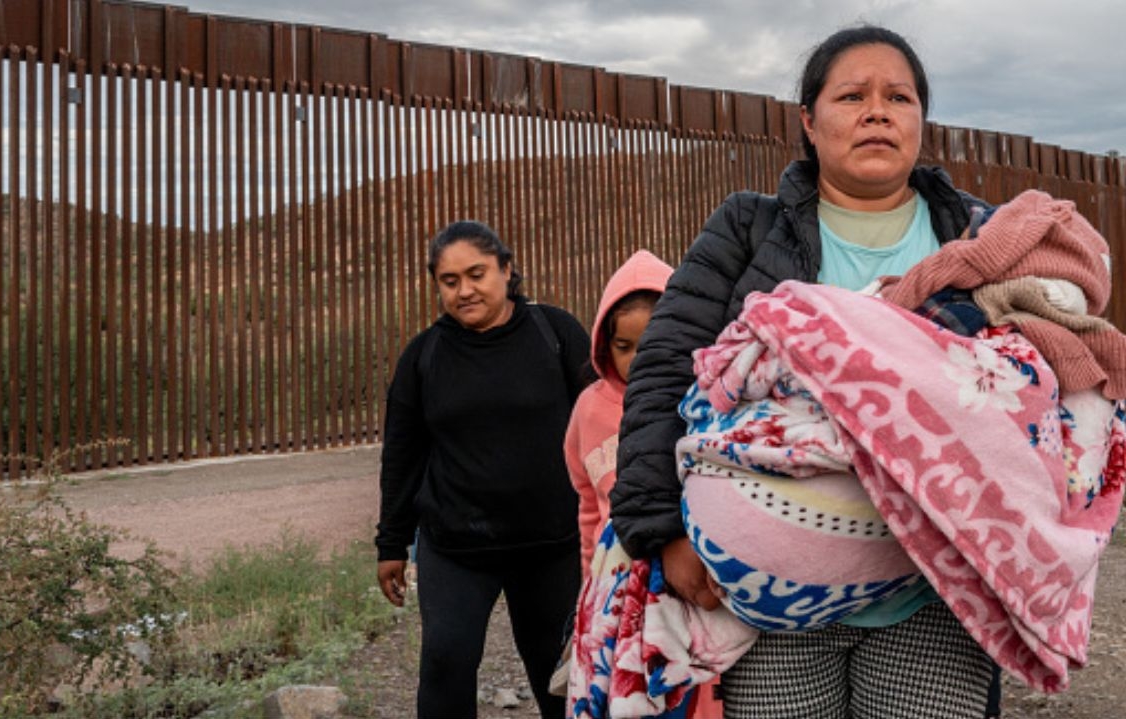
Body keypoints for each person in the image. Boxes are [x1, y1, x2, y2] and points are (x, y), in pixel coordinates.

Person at [610, 24, 999, 719]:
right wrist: (661, 528)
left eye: (899, 97)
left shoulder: (978, 239)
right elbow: (664, 371)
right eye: (852, 95)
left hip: (935, 591)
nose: (877, 110)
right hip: (770, 598)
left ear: (920, 120)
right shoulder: (747, 230)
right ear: (809, 122)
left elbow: (1043, 392)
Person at [375, 220, 591, 719]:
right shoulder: (423, 356)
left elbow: (599, 424)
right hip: (456, 547)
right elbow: (403, 454)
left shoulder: (555, 333)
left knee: (557, 673)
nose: (465, 290)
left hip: (550, 544)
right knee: (446, 664)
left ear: (506, 270)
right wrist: (392, 543)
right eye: (450, 281)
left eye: (477, 274)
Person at [563, 248, 724, 718]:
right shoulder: (590, 411)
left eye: (653, 339)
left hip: (688, 580)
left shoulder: (705, 401)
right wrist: (589, 582)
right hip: (619, 588)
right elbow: (588, 506)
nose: (639, 357)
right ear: (604, 346)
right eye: (624, 346)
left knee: (695, 693)